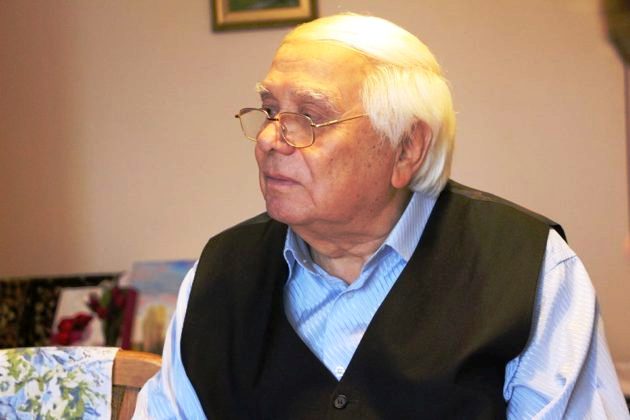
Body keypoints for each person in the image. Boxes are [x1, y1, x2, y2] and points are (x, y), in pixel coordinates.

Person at [133, 13, 629, 419]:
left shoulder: (528, 267)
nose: (268, 140)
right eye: (268, 111)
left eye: (308, 117)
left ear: (407, 148)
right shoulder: (219, 273)